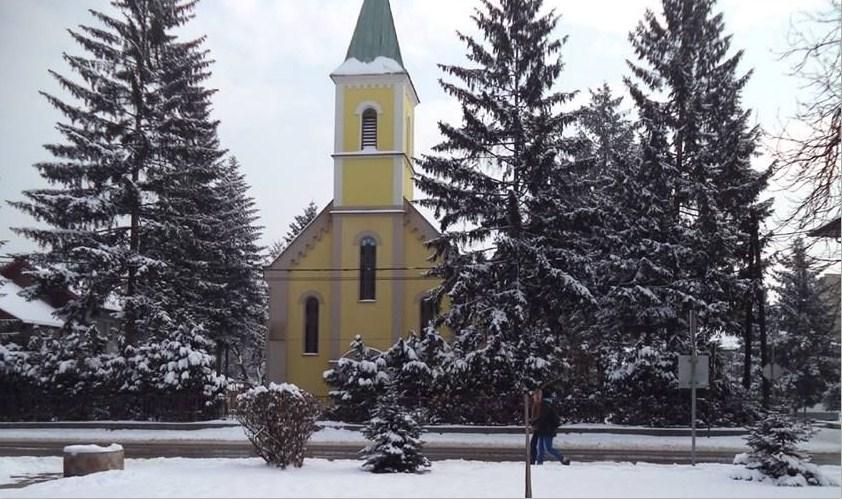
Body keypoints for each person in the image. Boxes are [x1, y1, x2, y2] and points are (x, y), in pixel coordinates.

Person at [533, 394, 570, 466]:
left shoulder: (544, 406)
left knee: (547, 448)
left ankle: (562, 458)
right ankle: (539, 463)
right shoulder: (548, 405)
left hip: (547, 430)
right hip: (544, 429)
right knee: (541, 448)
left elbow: (542, 418)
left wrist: (534, 423)